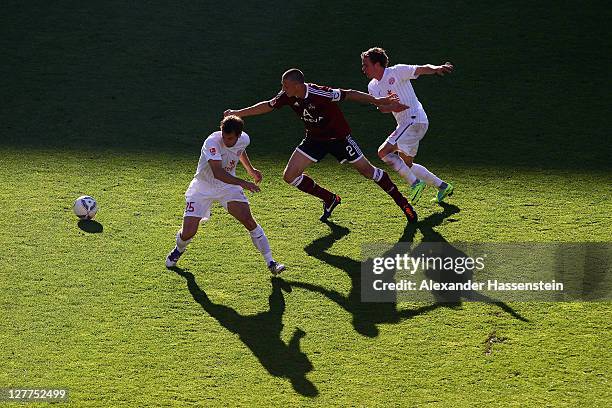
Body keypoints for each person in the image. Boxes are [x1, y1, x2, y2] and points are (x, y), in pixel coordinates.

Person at [224, 68, 417, 223]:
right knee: (289, 176)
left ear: (299, 85)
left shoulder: (320, 93)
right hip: (314, 140)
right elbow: (268, 105)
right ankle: (330, 198)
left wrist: (376, 100)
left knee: (368, 172)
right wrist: (239, 112)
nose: (283, 89)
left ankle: (403, 203)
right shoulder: (287, 95)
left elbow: (348, 94)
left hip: (340, 139)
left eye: (286, 85)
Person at [165, 115, 285, 275]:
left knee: (249, 220)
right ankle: (178, 249)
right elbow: (218, 173)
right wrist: (244, 183)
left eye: (229, 138)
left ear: (238, 135)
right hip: (203, 187)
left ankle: (271, 262)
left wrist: (250, 169)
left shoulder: (244, 139)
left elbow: (240, 151)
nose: (225, 140)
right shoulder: (212, 143)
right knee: (188, 232)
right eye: (223, 136)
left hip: (228, 187)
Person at [361, 47, 454, 204]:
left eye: (366, 65)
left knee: (383, 152)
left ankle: (416, 184)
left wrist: (437, 68)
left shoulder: (397, 71)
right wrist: (392, 107)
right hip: (408, 124)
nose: (363, 69)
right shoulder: (372, 86)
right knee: (407, 165)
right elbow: (381, 107)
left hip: (414, 119)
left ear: (377, 64)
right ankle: (443, 186)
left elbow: (421, 69)